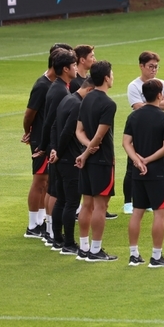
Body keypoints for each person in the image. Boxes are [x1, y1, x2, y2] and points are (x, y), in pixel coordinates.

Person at [123, 79, 164, 268]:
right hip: (158, 173)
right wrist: (147, 160)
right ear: (160, 95)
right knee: (159, 214)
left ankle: (133, 254)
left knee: (137, 212)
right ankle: (156, 256)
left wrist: (137, 160)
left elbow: (126, 143)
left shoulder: (134, 116)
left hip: (138, 173)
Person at [22, 44, 71, 239]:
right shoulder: (42, 85)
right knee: (40, 180)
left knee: (48, 181)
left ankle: (41, 221)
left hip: (48, 138)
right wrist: (29, 133)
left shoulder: (54, 84)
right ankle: (33, 225)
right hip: (41, 139)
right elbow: (29, 114)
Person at [75, 60, 118, 262]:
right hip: (101, 160)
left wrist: (85, 148)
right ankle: (95, 250)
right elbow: (100, 136)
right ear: (107, 78)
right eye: (112, 73)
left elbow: (79, 131)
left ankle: (83, 247)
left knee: (86, 205)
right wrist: (87, 152)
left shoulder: (87, 98)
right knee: (101, 206)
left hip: (88, 158)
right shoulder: (109, 104)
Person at [124, 51, 164, 214]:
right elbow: (137, 107)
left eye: (156, 67)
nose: (154, 70)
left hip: (152, 125)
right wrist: (157, 105)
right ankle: (127, 201)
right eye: (150, 66)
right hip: (139, 129)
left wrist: (150, 106)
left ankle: (145, 202)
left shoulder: (161, 82)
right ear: (141, 66)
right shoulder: (134, 85)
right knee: (132, 168)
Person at [37, 48, 78, 248]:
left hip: (55, 149)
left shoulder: (59, 87)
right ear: (65, 68)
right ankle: (56, 236)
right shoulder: (60, 90)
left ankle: (54, 235)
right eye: (74, 65)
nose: (77, 68)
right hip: (59, 151)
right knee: (59, 194)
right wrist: (48, 148)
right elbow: (50, 123)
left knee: (57, 193)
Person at [52, 77, 96, 257]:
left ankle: (57, 239)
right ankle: (68, 243)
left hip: (60, 159)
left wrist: (54, 150)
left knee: (61, 200)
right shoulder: (78, 105)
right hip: (70, 160)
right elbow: (68, 131)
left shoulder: (67, 98)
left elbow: (55, 127)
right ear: (90, 90)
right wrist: (60, 153)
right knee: (71, 202)